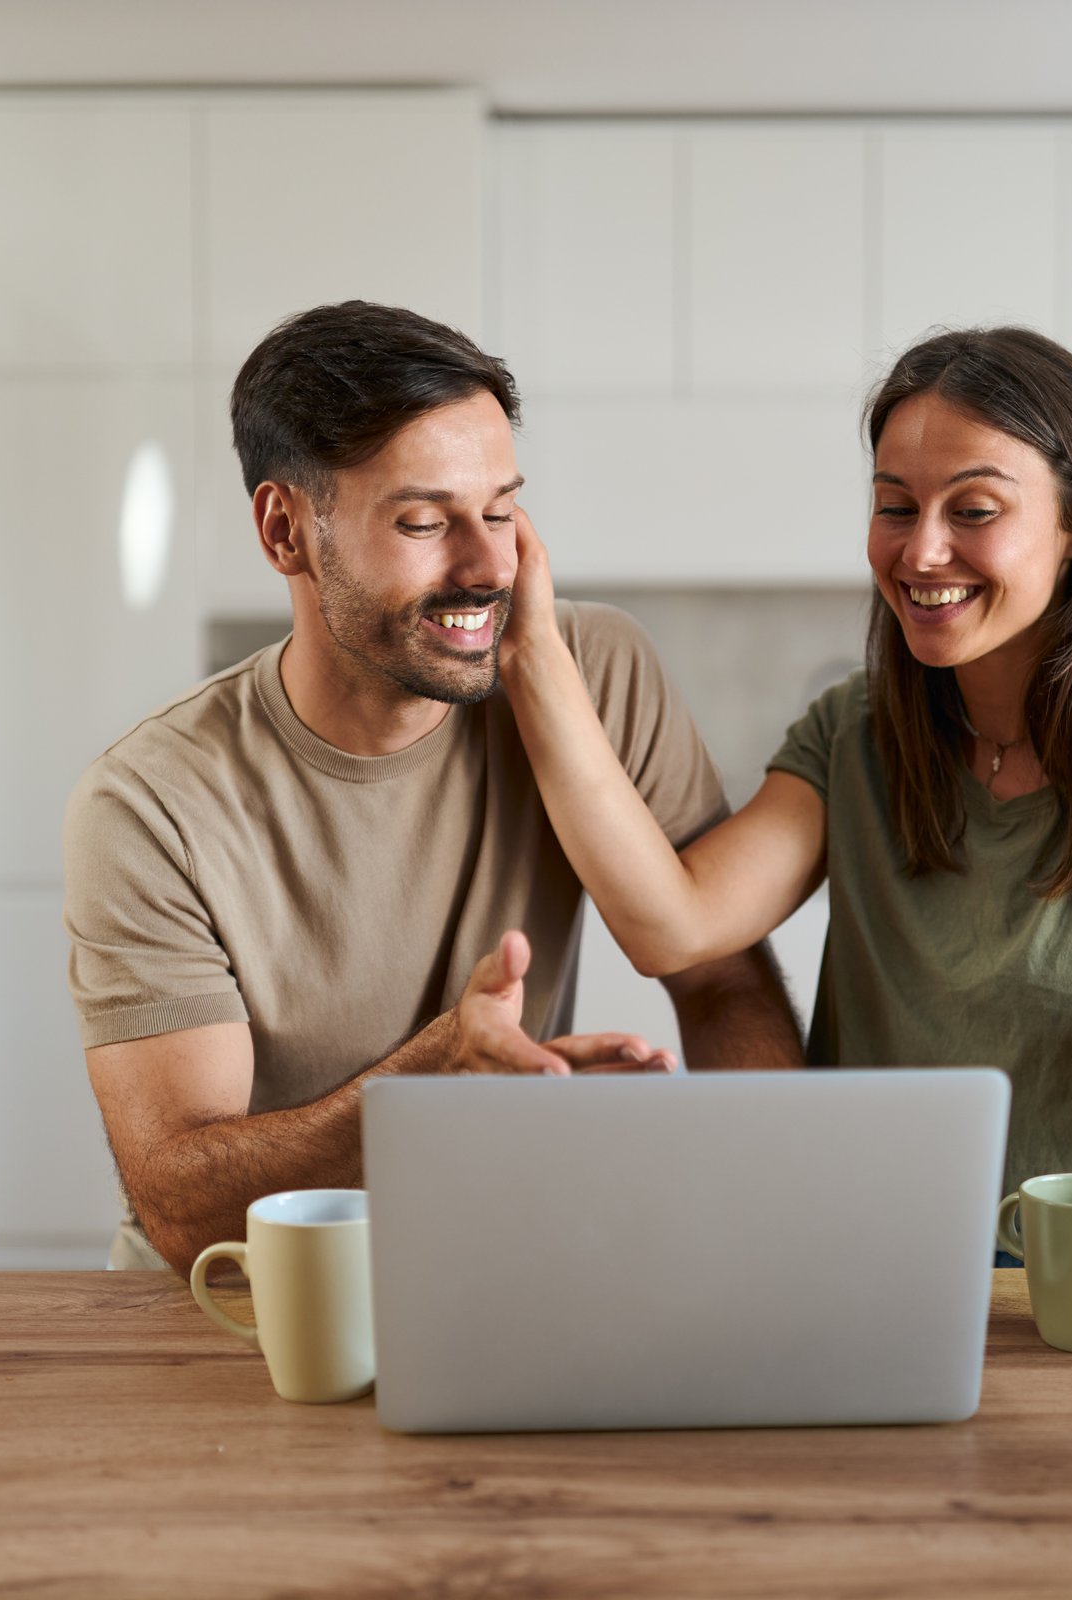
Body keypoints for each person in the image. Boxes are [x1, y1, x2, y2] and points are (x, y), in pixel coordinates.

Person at [499, 326, 1072, 1268]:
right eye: (895, 505)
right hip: (885, 1249)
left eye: (974, 510)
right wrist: (535, 655)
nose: (921, 552)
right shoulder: (862, 731)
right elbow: (672, 924)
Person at [64, 301, 803, 1275]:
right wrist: (432, 1079)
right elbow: (182, 1206)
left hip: (493, 1269)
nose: (490, 565)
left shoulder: (593, 670)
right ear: (286, 531)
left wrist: (779, 1223)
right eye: (424, 521)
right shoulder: (150, 804)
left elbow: (718, 980)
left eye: (501, 510)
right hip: (238, 1306)